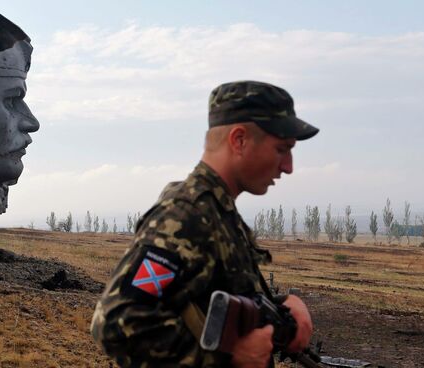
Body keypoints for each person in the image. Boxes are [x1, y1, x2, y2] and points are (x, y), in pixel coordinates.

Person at [91, 80, 319, 368]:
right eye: (281, 149)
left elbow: (214, 302)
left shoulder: (218, 212)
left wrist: (282, 307)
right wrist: (224, 358)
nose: (288, 166)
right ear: (239, 140)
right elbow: (115, 325)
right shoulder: (185, 216)